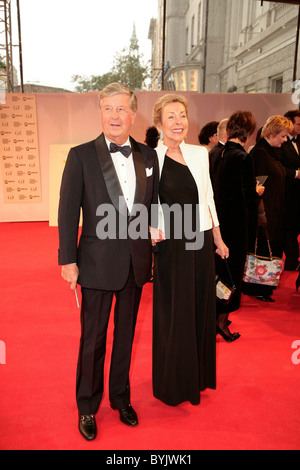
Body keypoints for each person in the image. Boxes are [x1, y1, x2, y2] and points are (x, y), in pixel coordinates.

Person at [58, 83, 158, 441]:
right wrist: (67, 260)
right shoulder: (81, 155)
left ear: (133, 114)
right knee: (93, 339)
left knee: (126, 336)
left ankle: (120, 398)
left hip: (135, 261)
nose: (115, 116)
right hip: (96, 263)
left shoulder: (149, 156)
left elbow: (150, 205)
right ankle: (87, 406)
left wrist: (154, 229)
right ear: (100, 113)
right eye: (108, 109)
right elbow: (68, 211)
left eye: (121, 109)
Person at [150, 94, 228, 406]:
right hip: (172, 245)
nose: (178, 122)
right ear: (159, 124)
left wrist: (218, 238)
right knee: (176, 311)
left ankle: (196, 376)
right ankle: (173, 382)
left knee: (199, 307)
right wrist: (149, 230)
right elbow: (143, 202)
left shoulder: (199, 154)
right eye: (170, 116)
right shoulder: (148, 158)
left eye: (182, 115)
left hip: (200, 241)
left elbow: (208, 197)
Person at [211, 111, 257, 340]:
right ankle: (221, 321)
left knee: (218, 272)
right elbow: (248, 197)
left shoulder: (214, 154)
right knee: (231, 275)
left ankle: (215, 318)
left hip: (214, 225)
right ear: (248, 132)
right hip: (236, 226)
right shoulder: (243, 157)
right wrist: (257, 192)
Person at [243, 115, 296, 302]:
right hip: (265, 212)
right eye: (282, 136)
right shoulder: (260, 154)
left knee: (270, 249)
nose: (284, 140)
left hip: (276, 210)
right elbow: (257, 187)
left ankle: (263, 286)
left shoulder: (272, 153)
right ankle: (257, 287)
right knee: (263, 250)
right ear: (272, 133)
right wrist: (261, 213)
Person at [280, 110, 300, 271]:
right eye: (298, 124)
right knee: (289, 229)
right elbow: (278, 168)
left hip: (298, 194)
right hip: (287, 194)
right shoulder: (281, 143)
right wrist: (296, 173)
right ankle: (292, 260)